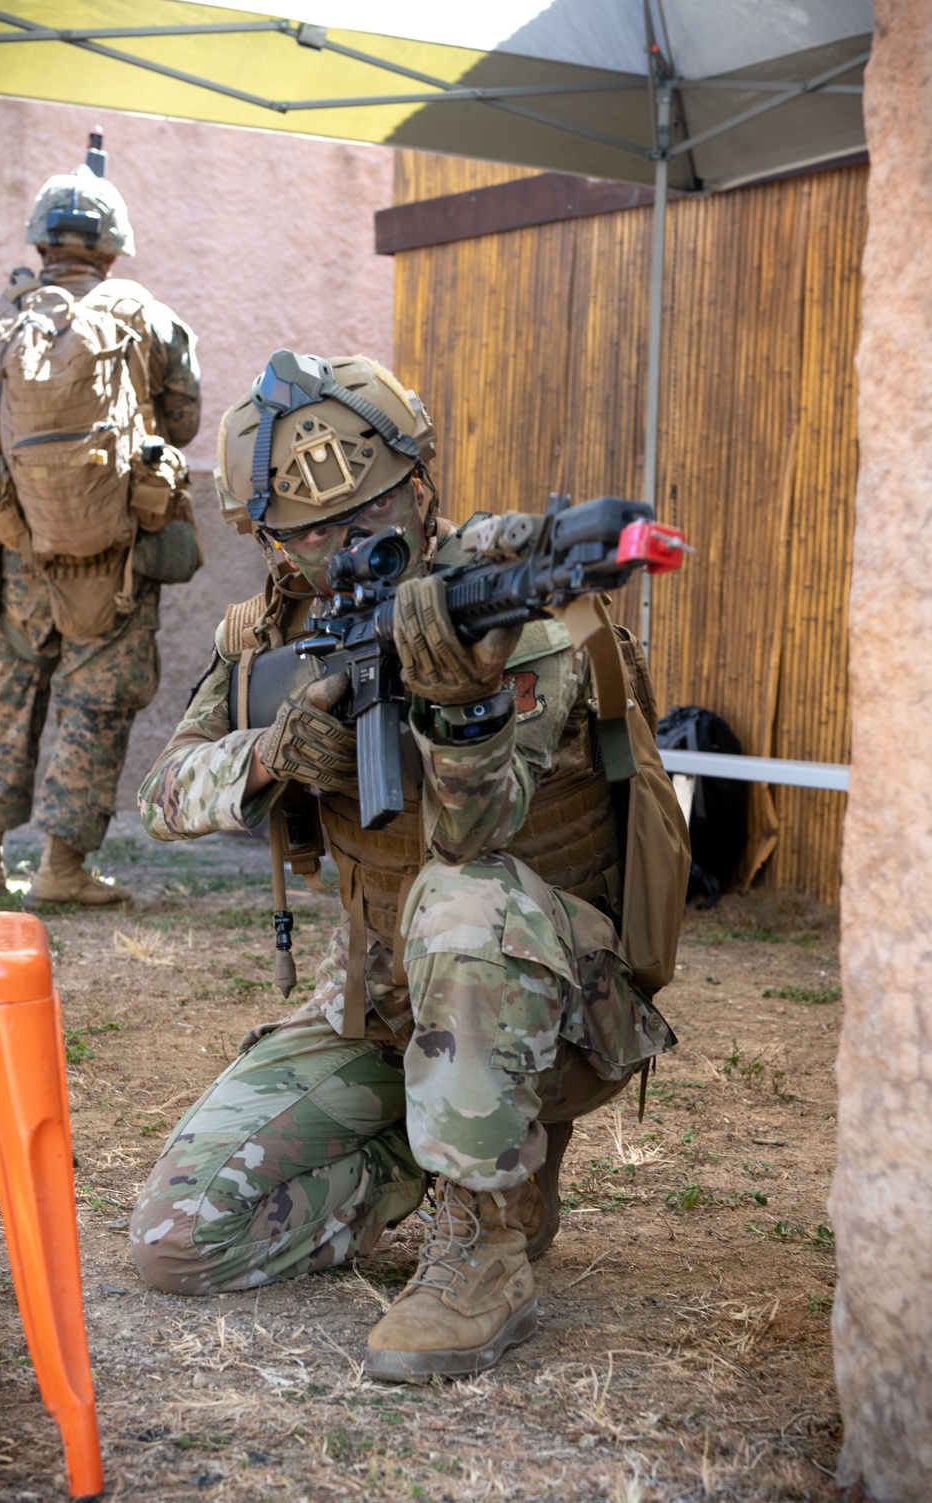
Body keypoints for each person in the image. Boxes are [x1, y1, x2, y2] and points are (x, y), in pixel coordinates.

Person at [129, 350, 685, 1381]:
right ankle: (448, 1151)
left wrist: (458, 709)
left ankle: (483, 1244)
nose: (345, 550)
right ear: (271, 545)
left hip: (547, 997)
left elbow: (478, 840)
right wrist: (272, 753)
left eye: (373, 514)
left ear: (421, 485)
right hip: (384, 996)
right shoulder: (271, 633)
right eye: (309, 537)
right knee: (180, 1240)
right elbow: (160, 795)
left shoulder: (516, 621)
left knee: (459, 901)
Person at [0, 157, 200, 905]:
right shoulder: (148, 317)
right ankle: (61, 870)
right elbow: (181, 421)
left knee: (12, 693)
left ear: (40, 243)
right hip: (114, 554)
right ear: (112, 248)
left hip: (19, 549)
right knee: (96, 705)